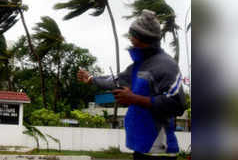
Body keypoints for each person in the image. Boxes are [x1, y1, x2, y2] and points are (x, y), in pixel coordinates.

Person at [77, 10, 187, 160]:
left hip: (160, 151)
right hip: (140, 148)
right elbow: (116, 79)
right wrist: (90, 78)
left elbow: (177, 103)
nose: (130, 39)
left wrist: (134, 99)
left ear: (145, 39)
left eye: (133, 36)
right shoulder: (139, 65)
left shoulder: (167, 65)